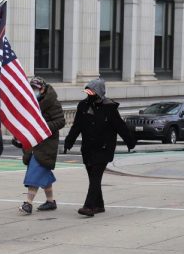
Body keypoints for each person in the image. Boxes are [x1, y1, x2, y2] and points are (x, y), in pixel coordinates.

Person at [63, 77, 136, 217]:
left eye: (92, 92)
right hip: (88, 148)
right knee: (93, 178)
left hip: (104, 148)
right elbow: (76, 126)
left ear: (99, 92)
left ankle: (89, 206)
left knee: (95, 177)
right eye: (87, 91)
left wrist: (130, 142)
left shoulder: (110, 108)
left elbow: (121, 126)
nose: (89, 94)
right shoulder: (83, 106)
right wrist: (69, 142)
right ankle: (99, 204)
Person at [16, 77, 65, 214]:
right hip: (33, 143)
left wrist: (42, 127)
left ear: (42, 88)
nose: (34, 91)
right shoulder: (29, 103)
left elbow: (60, 121)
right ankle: (50, 201)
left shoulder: (52, 103)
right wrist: (19, 137)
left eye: (36, 89)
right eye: (31, 88)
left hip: (46, 144)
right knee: (43, 173)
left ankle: (28, 204)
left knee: (35, 173)